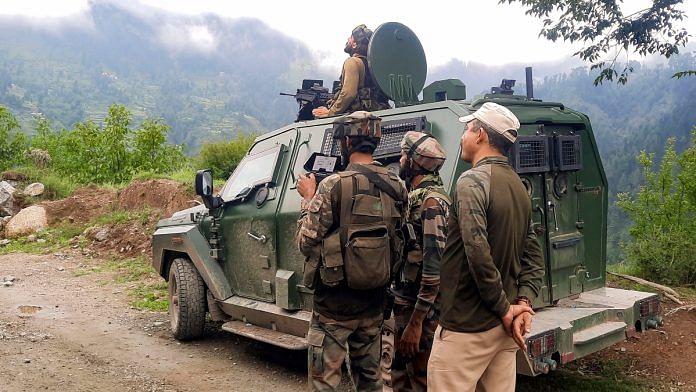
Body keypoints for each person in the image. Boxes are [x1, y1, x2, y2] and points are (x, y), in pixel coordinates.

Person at [427, 102, 545, 392]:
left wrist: (505, 309)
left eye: (467, 130)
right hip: (503, 330)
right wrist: (524, 303)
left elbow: (477, 252)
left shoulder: (472, 182)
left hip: (467, 327)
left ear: (480, 135)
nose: (462, 137)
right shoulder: (519, 186)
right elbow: (534, 255)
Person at [295, 111, 408, 391]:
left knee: (325, 383)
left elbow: (305, 242)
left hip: (333, 306)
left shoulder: (333, 185)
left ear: (345, 142)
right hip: (374, 302)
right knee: (371, 381)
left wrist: (308, 198)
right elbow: (400, 240)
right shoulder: (397, 186)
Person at [391, 131, 450, 392]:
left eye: (405, 154)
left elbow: (433, 267)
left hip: (422, 313)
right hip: (407, 303)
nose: (401, 159)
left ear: (414, 162)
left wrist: (416, 323)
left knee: (422, 379)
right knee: (400, 377)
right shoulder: (416, 195)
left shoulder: (431, 203)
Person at [312, 25, 390, 118]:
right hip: (378, 115)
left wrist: (330, 113)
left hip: (357, 120)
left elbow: (348, 94)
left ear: (354, 44)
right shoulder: (376, 67)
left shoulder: (352, 62)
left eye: (351, 38)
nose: (348, 39)